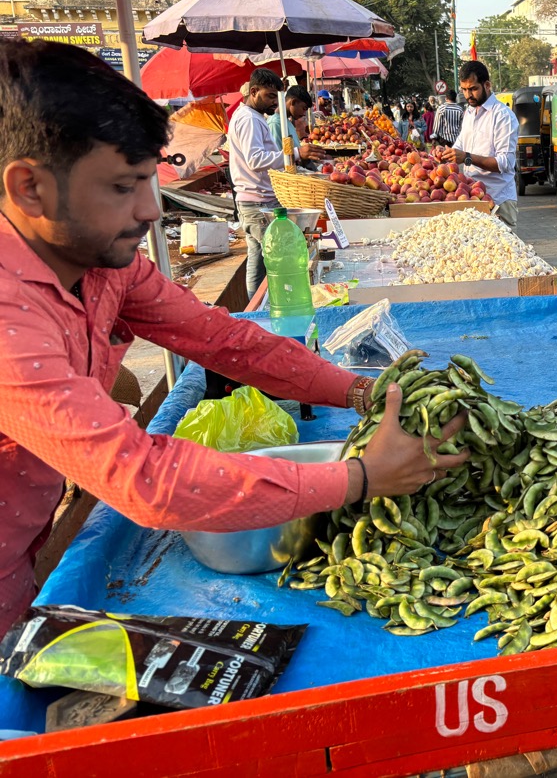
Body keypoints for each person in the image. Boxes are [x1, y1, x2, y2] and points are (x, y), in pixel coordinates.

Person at [0, 39, 469, 636]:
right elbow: (141, 477)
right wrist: (357, 479)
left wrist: (361, 394)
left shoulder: (101, 265)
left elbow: (226, 341)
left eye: (150, 180)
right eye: (123, 186)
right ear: (29, 188)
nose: (151, 210)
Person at [228, 69, 321, 296]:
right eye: (270, 96)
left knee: (258, 261)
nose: (274, 103)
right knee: (276, 258)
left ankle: (255, 310)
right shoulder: (249, 119)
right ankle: (271, 304)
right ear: (254, 92)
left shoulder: (252, 117)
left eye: (276, 97)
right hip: (257, 201)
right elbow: (256, 159)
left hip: (254, 200)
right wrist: (296, 154)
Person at [434, 61, 520, 227]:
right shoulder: (469, 112)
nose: (468, 95)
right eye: (464, 90)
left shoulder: (503, 116)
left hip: (498, 200)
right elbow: (460, 146)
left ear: (487, 85)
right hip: (471, 197)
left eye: (473, 89)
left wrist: (466, 158)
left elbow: (505, 163)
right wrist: (446, 153)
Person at [267, 85, 324, 168]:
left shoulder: (286, 121)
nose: (304, 113)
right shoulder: (275, 123)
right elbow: (278, 159)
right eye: (303, 108)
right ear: (293, 102)